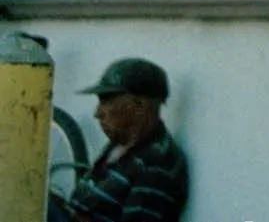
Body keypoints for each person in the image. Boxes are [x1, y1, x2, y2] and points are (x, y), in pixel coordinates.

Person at [58, 58, 188, 222]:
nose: (97, 113)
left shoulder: (157, 164)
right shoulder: (121, 142)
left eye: (106, 101)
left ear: (140, 105)